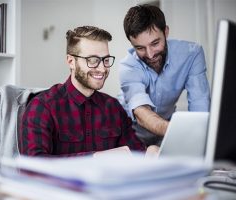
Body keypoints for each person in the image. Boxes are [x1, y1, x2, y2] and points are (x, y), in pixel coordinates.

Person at [18, 26, 147, 157]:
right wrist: (94, 158)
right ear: (71, 62)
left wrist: (149, 153)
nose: (102, 69)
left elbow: (136, 154)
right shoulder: (43, 106)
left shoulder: (113, 107)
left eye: (106, 60)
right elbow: (32, 166)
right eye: (92, 60)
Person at [118, 4, 210, 146]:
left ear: (166, 32)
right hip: (131, 134)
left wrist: (199, 138)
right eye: (140, 48)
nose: (150, 54)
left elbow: (200, 108)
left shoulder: (191, 55)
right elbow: (142, 113)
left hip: (166, 132)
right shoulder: (128, 66)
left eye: (155, 43)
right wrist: (181, 132)